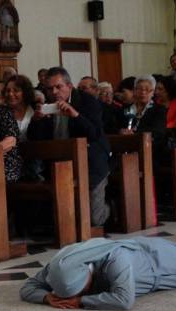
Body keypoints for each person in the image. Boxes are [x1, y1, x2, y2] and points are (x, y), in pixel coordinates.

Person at [20, 236, 176, 310]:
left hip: (156, 260)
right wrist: (47, 297)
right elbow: (27, 287)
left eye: (83, 287)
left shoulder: (115, 258)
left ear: (87, 271)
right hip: (150, 276)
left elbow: (124, 300)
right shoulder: (58, 266)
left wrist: (82, 301)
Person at [28, 67, 111, 227]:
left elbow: (94, 134)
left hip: (91, 164)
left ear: (69, 86)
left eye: (58, 87)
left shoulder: (88, 102)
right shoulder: (47, 105)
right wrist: (36, 120)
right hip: (61, 167)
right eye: (50, 88)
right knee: (64, 219)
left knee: (93, 219)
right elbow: (34, 138)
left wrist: (75, 115)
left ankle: (112, 208)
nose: (54, 92)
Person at [117, 76, 167, 152]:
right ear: (134, 91)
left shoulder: (159, 109)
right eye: (139, 89)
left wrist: (134, 132)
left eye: (147, 90)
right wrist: (120, 131)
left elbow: (158, 130)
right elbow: (117, 125)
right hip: (125, 148)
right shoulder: (125, 109)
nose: (143, 92)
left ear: (153, 93)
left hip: (150, 149)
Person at [5, 74, 36, 141]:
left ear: (25, 92)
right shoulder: (2, 113)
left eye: (15, 90)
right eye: (8, 91)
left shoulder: (35, 109)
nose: (10, 94)